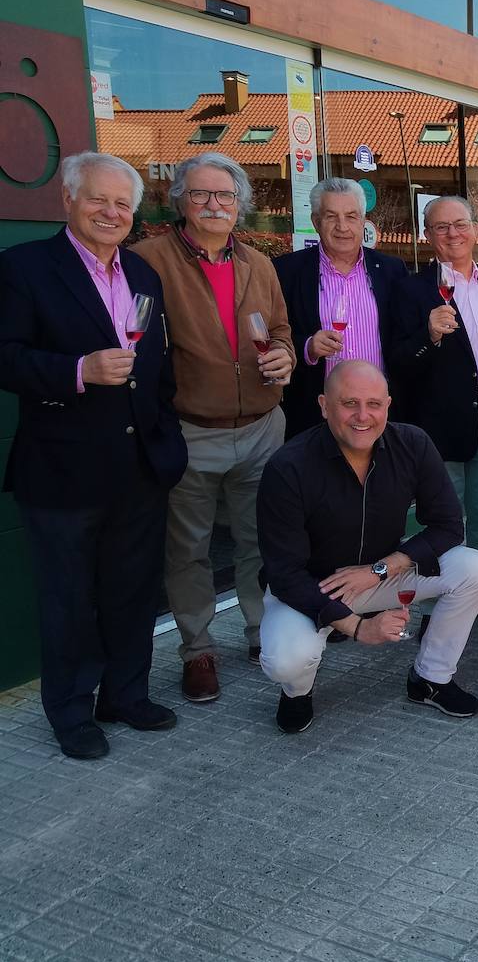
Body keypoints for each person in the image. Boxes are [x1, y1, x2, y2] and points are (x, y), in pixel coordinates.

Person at [0, 152, 188, 760]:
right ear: (68, 201)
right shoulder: (25, 268)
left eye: (122, 204)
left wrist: (165, 438)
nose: (110, 212)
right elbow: (4, 356)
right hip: (62, 471)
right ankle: (73, 711)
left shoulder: (141, 275)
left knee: (133, 591)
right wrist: (77, 370)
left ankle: (126, 695)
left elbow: (158, 364)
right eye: (97, 200)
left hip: (138, 468)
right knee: (69, 599)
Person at [130, 153, 296, 702]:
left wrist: (285, 358)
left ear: (240, 203)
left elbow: (280, 330)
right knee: (189, 550)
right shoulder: (147, 261)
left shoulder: (259, 263)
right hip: (190, 430)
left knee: (258, 541)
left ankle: (258, 633)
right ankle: (198, 649)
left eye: (224, 196)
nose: (214, 204)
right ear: (180, 199)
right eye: (201, 194)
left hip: (261, 427)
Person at [256, 361, 478, 734]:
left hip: (380, 575)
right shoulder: (288, 467)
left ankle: (431, 677)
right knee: (286, 660)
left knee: (476, 569)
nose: (363, 416)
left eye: (374, 404)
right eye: (349, 403)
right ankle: (297, 692)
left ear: (388, 405)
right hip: (313, 587)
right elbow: (284, 573)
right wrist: (356, 628)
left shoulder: (412, 443)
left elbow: (448, 525)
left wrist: (382, 569)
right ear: (324, 405)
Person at [390, 195, 478, 629]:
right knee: (443, 514)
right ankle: (432, 601)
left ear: (476, 230)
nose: (452, 234)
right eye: (440, 227)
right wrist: (430, 334)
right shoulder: (411, 289)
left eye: (460, 224)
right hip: (439, 416)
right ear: (428, 236)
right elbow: (400, 360)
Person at [273, 178, 407, 439]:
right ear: (315, 222)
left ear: (363, 220)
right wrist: (308, 346)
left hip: (378, 413)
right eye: (331, 216)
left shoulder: (392, 271)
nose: (342, 227)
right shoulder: (285, 271)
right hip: (315, 414)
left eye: (351, 216)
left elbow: (402, 339)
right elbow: (273, 333)